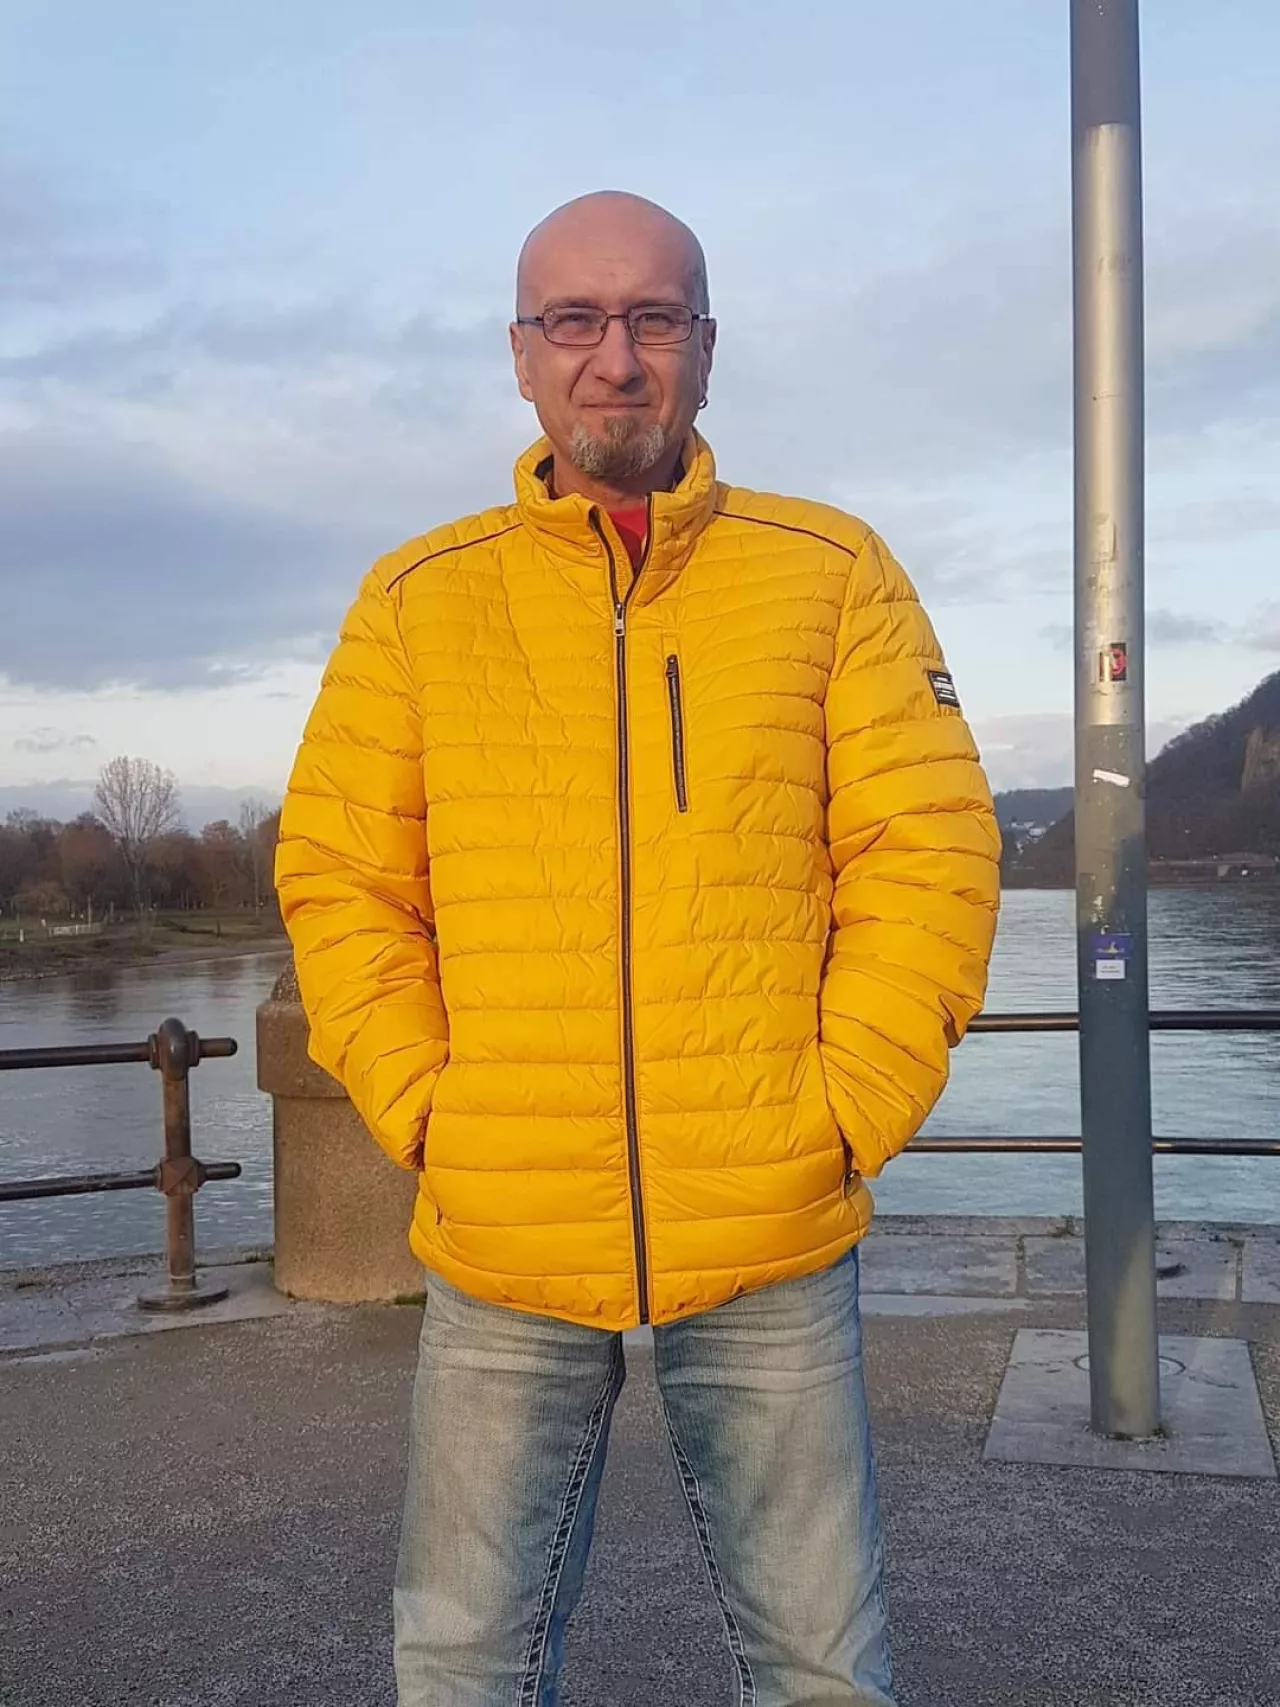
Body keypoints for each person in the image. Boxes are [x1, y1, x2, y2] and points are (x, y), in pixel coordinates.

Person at [275, 190, 1000, 1707]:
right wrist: (434, 1115)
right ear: (521, 356)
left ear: (707, 347)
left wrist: (841, 1112)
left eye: (654, 317)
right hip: (505, 1219)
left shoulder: (830, 574)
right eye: (576, 321)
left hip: (770, 1207)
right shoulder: (416, 601)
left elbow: (925, 854)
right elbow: (344, 882)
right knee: (462, 1664)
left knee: (822, 1667)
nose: (616, 357)